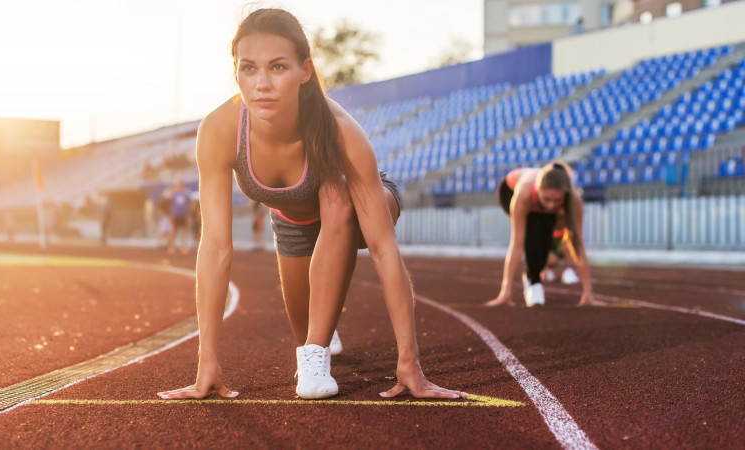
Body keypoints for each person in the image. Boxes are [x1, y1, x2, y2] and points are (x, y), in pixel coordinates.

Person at [158, 8, 466, 401]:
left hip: (360, 205)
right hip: (292, 221)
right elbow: (216, 246)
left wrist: (410, 363)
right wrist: (207, 361)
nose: (262, 84)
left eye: (278, 67)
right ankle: (321, 332)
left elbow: (383, 249)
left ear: (305, 70)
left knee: (335, 196)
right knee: (304, 326)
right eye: (248, 68)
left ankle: (316, 355)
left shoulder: (341, 131)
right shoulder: (219, 130)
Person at [484, 162, 595, 307]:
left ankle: (533, 275)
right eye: (547, 199)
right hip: (509, 189)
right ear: (538, 191)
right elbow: (517, 243)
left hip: (538, 197)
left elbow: (578, 245)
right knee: (533, 229)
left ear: (565, 195)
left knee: (543, 229)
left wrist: (588, 292)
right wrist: (506, 290)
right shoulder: (524, 195)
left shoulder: (574, 200)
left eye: (557, 200)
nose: (551, 205)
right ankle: (532, 279)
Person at [167, 180, 192, 255]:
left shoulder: (186, 194)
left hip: (183, 215)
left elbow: (189, 205)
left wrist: (188, 216)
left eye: (179, 185)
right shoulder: (174, 194)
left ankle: (183, 247)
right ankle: (171, 247)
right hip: (175, 215)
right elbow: (170, 205)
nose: (178, 187)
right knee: (173, 231)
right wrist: (171, 215)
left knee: (184, 232)